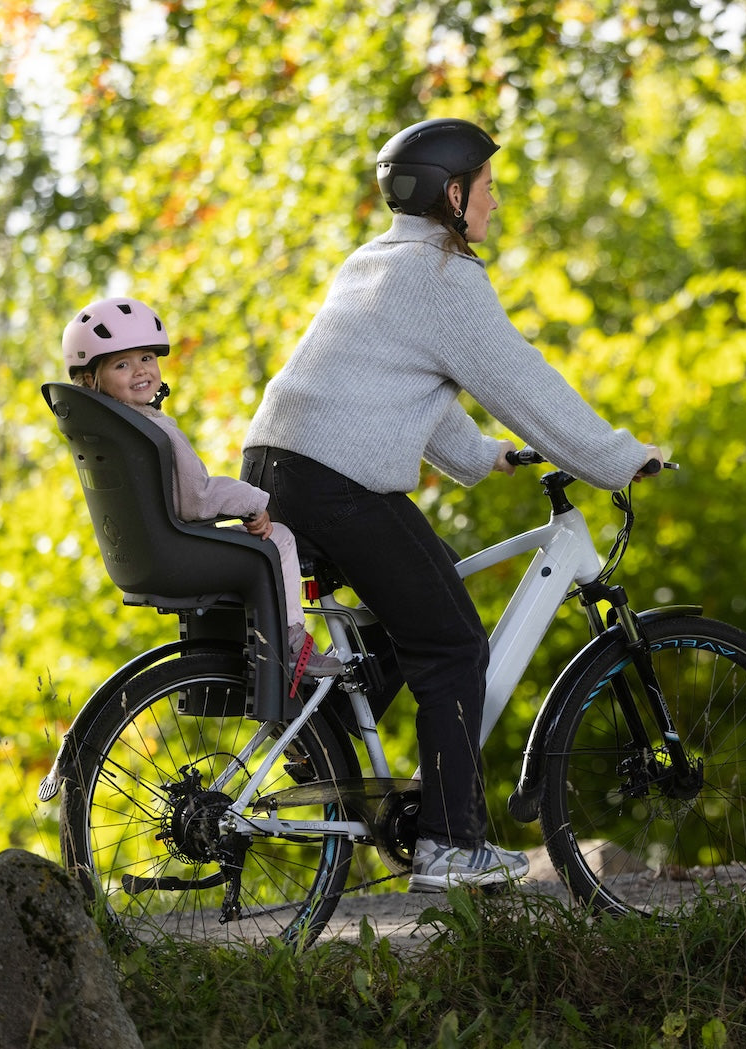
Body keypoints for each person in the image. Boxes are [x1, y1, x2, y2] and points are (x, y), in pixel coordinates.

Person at [242, 118, 663, 891]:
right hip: (337, 481)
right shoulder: (443, 275)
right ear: (452, 192)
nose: (497, 203)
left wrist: (479, 457)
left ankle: (320, 729)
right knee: (455, 645)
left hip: (279, 467)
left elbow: (400, 383)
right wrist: (614, 457)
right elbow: (519, 380)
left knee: (420, 606)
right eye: (489, 187)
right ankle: (449, 845)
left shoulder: (376, 262)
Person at [61, 296, 342, 679]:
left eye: (146, 358)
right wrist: (254, 503)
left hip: (140, 559)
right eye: (121, 364)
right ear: (93, 379)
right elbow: (197, 498)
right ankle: (291, 647)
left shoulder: (114, 430)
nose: (140, 371)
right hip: (176, 551)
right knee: (280, 540)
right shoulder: (154, 431)